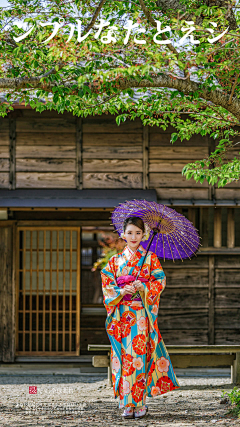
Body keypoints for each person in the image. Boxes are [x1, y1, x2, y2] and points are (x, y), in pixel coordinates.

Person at [101, 216, 180, 419]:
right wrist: (121, 289)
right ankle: (127, 403)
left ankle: (140, 403)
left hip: (141, 316)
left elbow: (159, 282)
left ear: (144, 235)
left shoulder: (151, 258)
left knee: (138, 358)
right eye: (130, 232)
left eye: (138, 233)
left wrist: (143, 286)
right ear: (123, 234)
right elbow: (107, 284)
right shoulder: (114, 261)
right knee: (123, 358)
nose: (134, 236)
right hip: (122, 315)